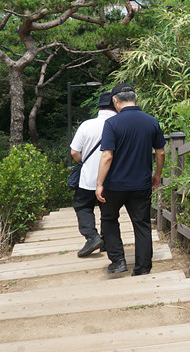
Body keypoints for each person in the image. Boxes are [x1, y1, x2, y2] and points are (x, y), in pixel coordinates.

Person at [95, 82, 165, 275]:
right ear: (136, 98)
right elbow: (160, 152)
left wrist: (99, 184)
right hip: (141, 184)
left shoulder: (112, 123)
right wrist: (157, 174)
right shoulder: (151, 121)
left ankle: (118, 261)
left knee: (109, 219)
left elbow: (107, 156)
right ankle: (142, 268)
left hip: (114, 184)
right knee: (142, 224)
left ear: (115, 100)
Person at [69, 91, 116, 257]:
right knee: (108, 211)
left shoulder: (87, 125)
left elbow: (74, 152)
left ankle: (92, 237)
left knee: (83, 206)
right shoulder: (119, 124)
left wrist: (84, 161)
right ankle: (107, 243)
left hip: (88, 178)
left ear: (99, 107)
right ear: (116, 104)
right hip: (112, 178)